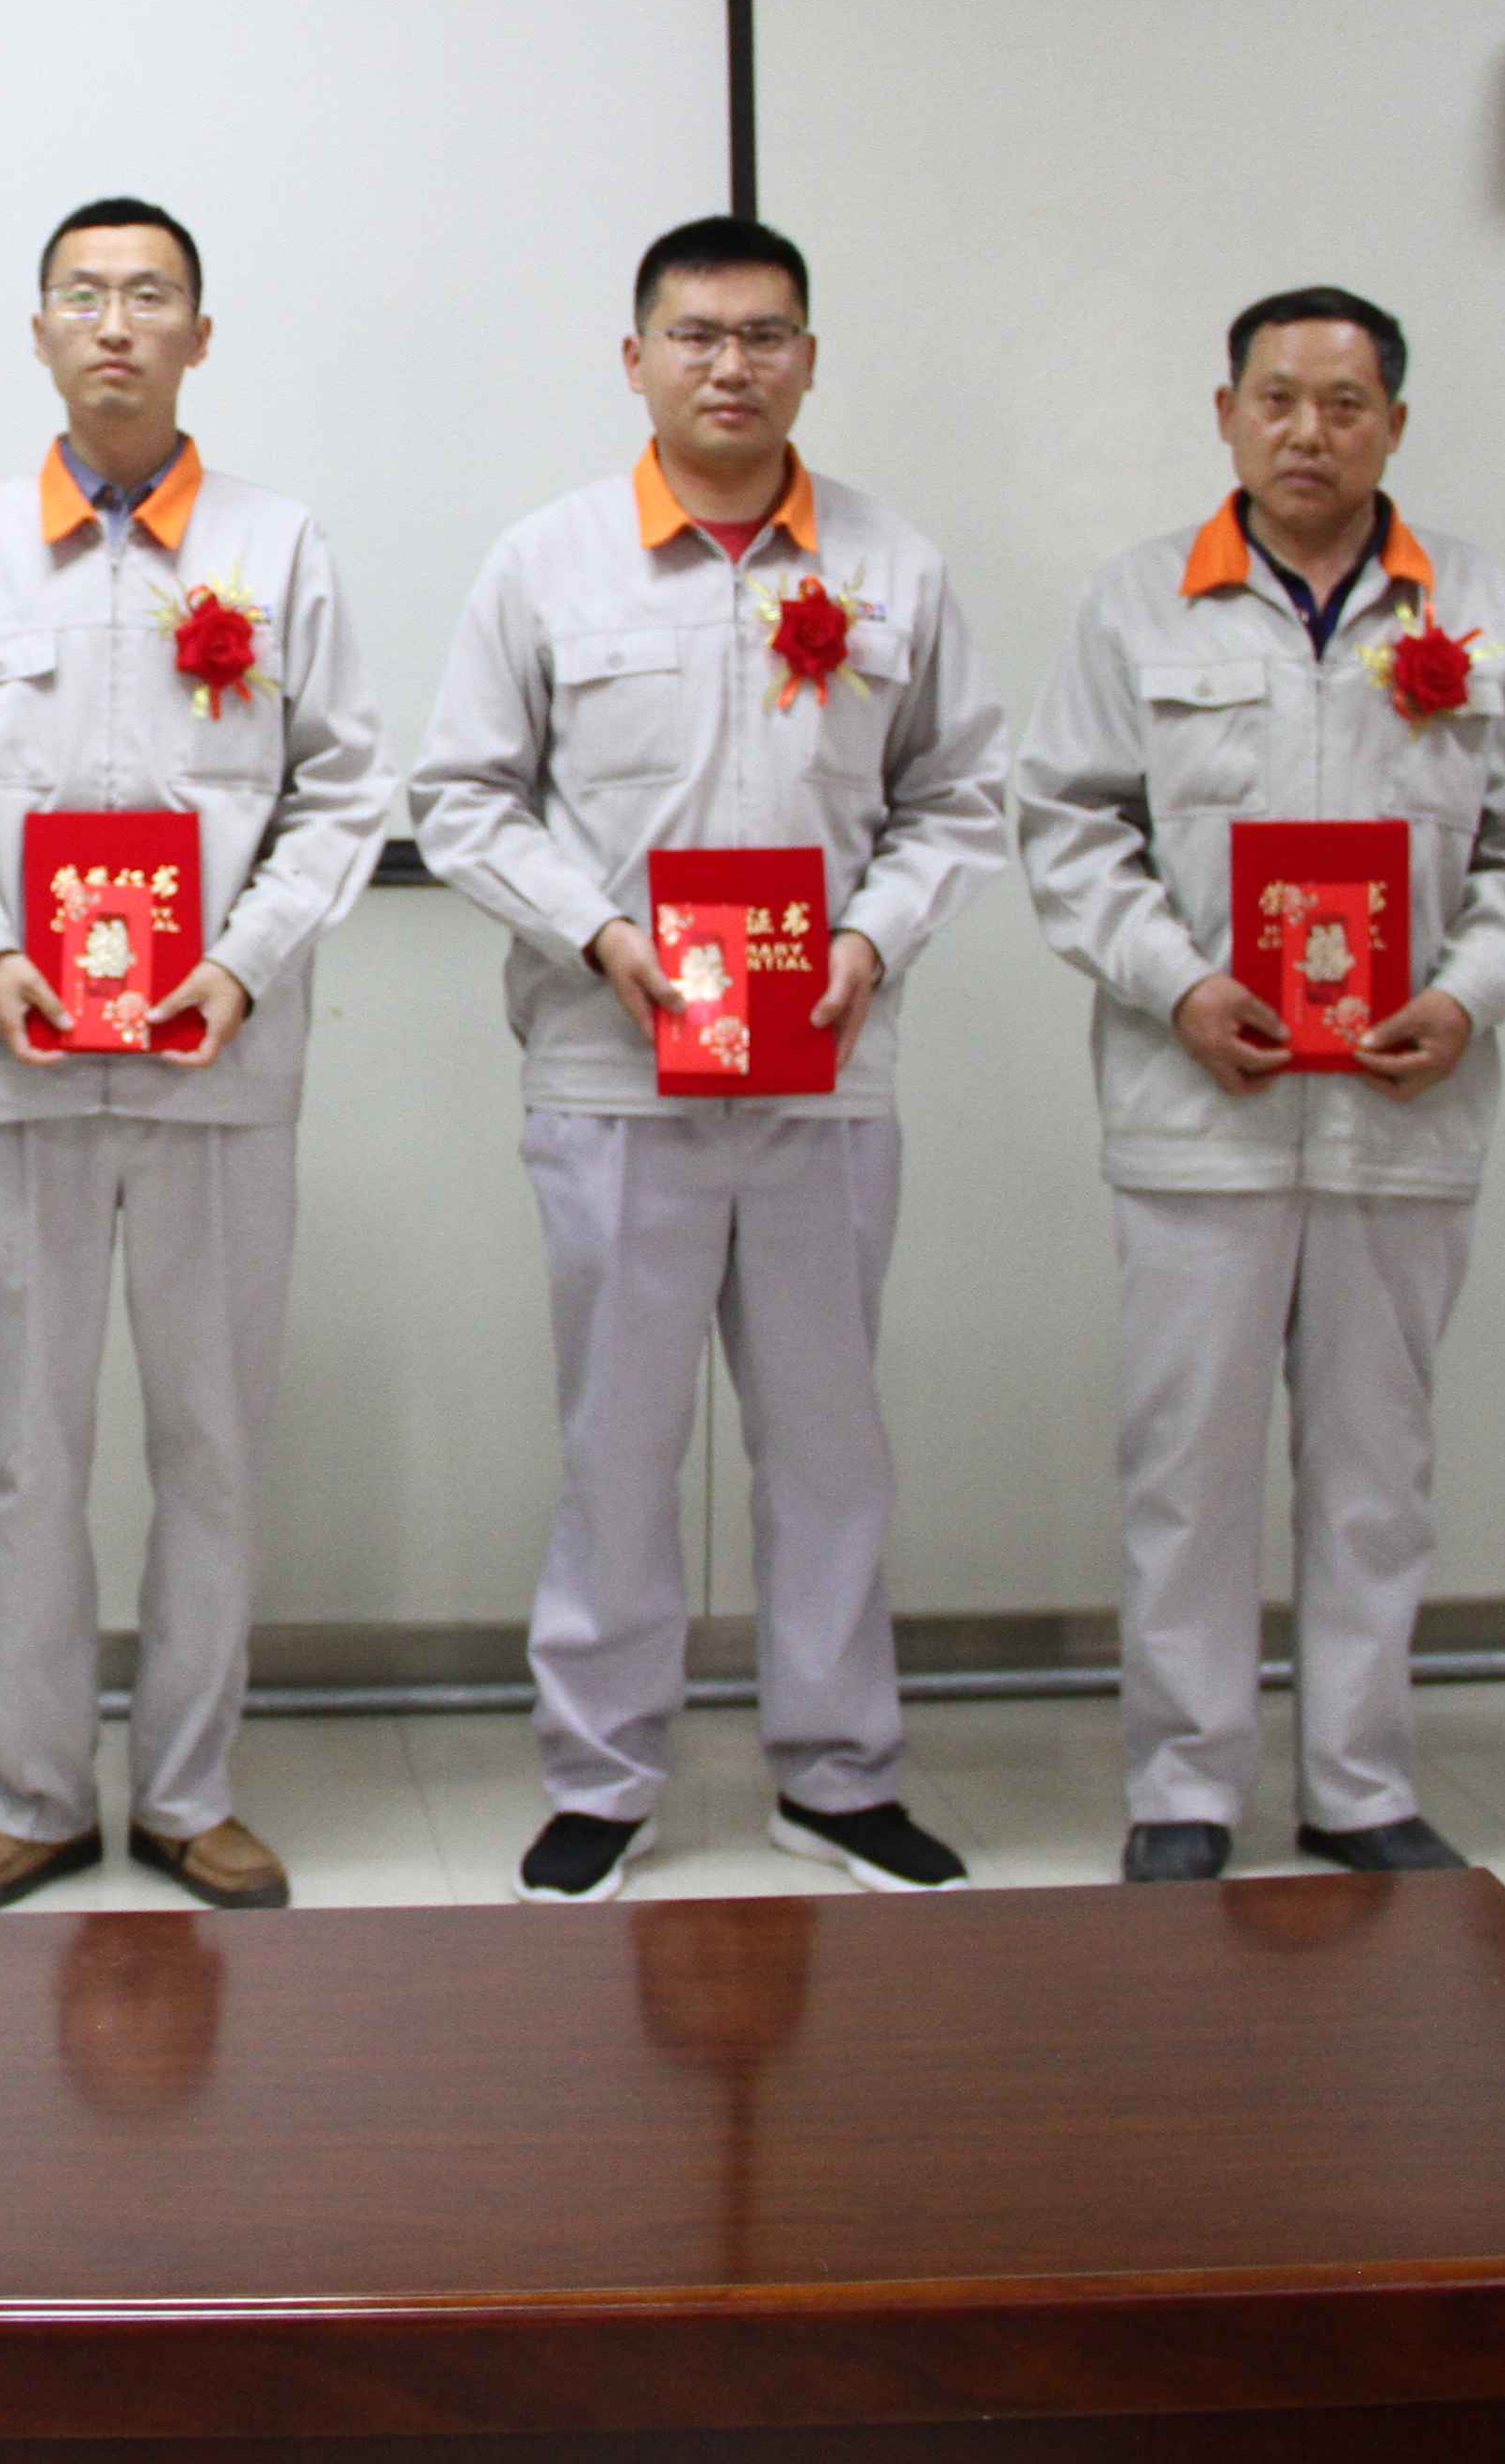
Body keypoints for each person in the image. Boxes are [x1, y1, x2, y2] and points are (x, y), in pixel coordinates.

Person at [411, 216, 1006, 1902]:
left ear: (808, 359)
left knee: (829, 1445)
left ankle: (839, 1773)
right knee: (619, 1443)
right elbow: (461, 796)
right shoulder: (549, 562)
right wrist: (600, 938)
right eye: (696, 335)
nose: (730, 365)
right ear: (637, 360)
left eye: (763, 336)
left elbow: (960, 796)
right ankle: (601, 1779)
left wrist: (871, 939)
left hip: (824, 1071)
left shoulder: (893, 566)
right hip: (614, 1073)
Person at [1011, 286, 1505, 1881]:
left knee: (1375, 1475)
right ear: (1226, 415)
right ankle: (1184, 1789)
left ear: (1395, 424)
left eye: (1345, 404)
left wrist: (1468, 998)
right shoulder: (1139, 605)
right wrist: (1178, 982)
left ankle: (1360, 1786)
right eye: (1277, 399)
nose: (1308, 432)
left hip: (1404, 1110)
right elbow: (1066, 830)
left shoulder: (1478, 605)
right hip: (1199, 1111)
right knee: (1186, 1472)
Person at [0, 198, 388, 1913]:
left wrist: (241, 966)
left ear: (198, 335)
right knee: (25, 1453)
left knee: (211, 1445)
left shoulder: (278, 548)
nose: (114, 323)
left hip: (214, 1071)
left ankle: (187, 1791)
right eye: (81, 295)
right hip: (12, 1067)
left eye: (149, 295)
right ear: (38, 332)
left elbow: (343, 792)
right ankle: (31, 1788)